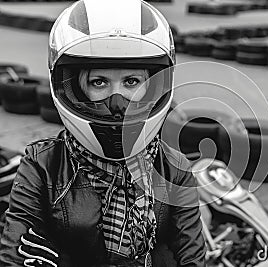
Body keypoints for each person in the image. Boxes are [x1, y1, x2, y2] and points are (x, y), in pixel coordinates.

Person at [0, 0, 206, 266]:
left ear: (153, 87)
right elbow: (15, 256)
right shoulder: (42, 164)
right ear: (74, 88)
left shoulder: (176, 169)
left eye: (131, 81)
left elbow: (192, 257)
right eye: (99, 82)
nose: (116, 102)